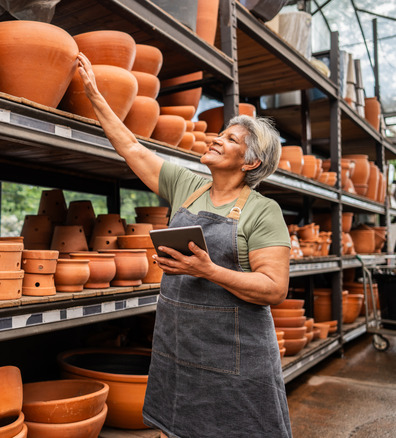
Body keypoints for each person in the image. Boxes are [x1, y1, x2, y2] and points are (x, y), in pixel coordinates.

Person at [75, 52, 292, 437]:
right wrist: (94, 94)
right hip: (180, 351)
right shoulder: (188, 187)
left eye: (230, 140)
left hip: (237, 359)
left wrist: (208, 270)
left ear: (250, 164)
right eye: (220, 133)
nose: (216, 139)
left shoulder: (263, 211)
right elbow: (132, 148)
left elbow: (274, 288)